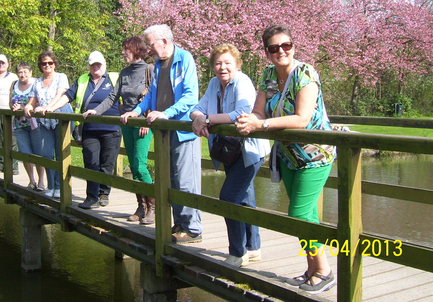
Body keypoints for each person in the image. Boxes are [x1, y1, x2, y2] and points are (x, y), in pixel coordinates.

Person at [236, 25, 337, 295]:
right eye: (274, 48)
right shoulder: (268, 74)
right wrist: (249, 121)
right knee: (307, 216)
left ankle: (325, 271)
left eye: (286, 45)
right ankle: (312, 270)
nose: (281, 51)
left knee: (298, 214)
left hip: (315, 153)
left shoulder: (305, 73)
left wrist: (261, 125)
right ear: (267, 53)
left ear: (293, 46)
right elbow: (258, 110)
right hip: (288, 156)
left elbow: (302, 118)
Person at [121, 24, 202, 244]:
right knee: (171, 179)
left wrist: (166, 113)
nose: (148, 50)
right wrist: (136, 111)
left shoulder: (184, 59)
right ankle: (179, 224)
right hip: (165, 131)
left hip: (183, 130)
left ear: (164, 42)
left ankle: (193, 229)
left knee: (186, 180)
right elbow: (150, 95)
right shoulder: (157, 65)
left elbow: (189, 96)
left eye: (151, 44)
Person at [190, 44, 269, 266]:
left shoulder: (243, 82)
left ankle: (237, 252)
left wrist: (208, 119)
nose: (222, 67)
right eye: (217, 63)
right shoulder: (215, 83)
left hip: (250, 150)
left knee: (228, 197)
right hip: (229, 151)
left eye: (227, 63)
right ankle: (253, 248)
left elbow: (241, 114)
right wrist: (199, 117)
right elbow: (196, 108)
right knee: (244, 198)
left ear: (237, 65)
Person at [83, 37, 155, 224]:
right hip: (127, 125)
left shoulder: (150, 70)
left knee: (140, 166)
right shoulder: (124, 73)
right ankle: (141, 207)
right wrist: (95, 110)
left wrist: (145, 121)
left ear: (136, 50)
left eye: (126, 49)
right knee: (133, 166)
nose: (123, 52)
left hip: (143, 126)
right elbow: (112, 97)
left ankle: (153, 207)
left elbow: (155, 97)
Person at [39, 51, 120, 209]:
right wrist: (51, 108)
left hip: (111, 128)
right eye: (92, 64)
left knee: (107, 163)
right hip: (89, 128)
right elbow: (68, 95)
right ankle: (91, 197)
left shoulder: (115, 78)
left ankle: (104, 193)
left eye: (99, 64)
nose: (96, 67)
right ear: (89, 66)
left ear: (104, 64)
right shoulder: (83, 80)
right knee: (90, 162)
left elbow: (128, 99)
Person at [24, 51, 72, 199]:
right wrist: (28, 107)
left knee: (59, 154)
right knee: (46, 154)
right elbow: (33, 100)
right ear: (40, 66)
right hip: (45, 122)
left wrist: (47, 107)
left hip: (61, 118)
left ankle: (58, 186)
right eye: (44, 63)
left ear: (54, 64)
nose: (47, 66)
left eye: (50, 63)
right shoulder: (37, 82)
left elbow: (59, 95)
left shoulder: (61, 77)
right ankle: (50, 185)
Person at [11, 62, 45, 190]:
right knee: (25, 153)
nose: (22, 74)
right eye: (20, 72)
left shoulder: (37, 83)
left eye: (25, 71)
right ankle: (32, 181)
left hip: (35, 124)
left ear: (31, 72)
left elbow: (41, 101)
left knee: (38, 152)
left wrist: (27, 107)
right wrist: (15, 107)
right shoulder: (14, 85)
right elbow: (11, 101)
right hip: (20, 125)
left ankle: (41, 181)